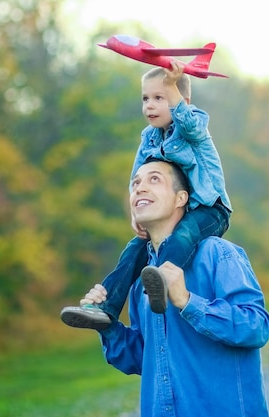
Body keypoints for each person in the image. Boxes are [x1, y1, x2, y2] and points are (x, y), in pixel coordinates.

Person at [78, 160, 269, 416]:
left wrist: (187, 301)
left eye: (154, 179)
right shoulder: (140, 280)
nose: (140, 188)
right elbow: (145, 360)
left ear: (181, 198)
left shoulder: (218, 254)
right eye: (135, 183)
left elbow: (257, 328)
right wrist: (108, 327)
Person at [60, 61, 232, 330]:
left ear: (182, 100)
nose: (149, 105)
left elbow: (188, 123)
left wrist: (174, 85)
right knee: (133, 250)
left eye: (159, 98)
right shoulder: (150, 137)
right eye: (145, 98)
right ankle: (106, 308)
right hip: (178, 209)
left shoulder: (194, 126)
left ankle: (162, 280)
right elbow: (136, 178)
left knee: (184, 234)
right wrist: (136, 212)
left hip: (211, 209)